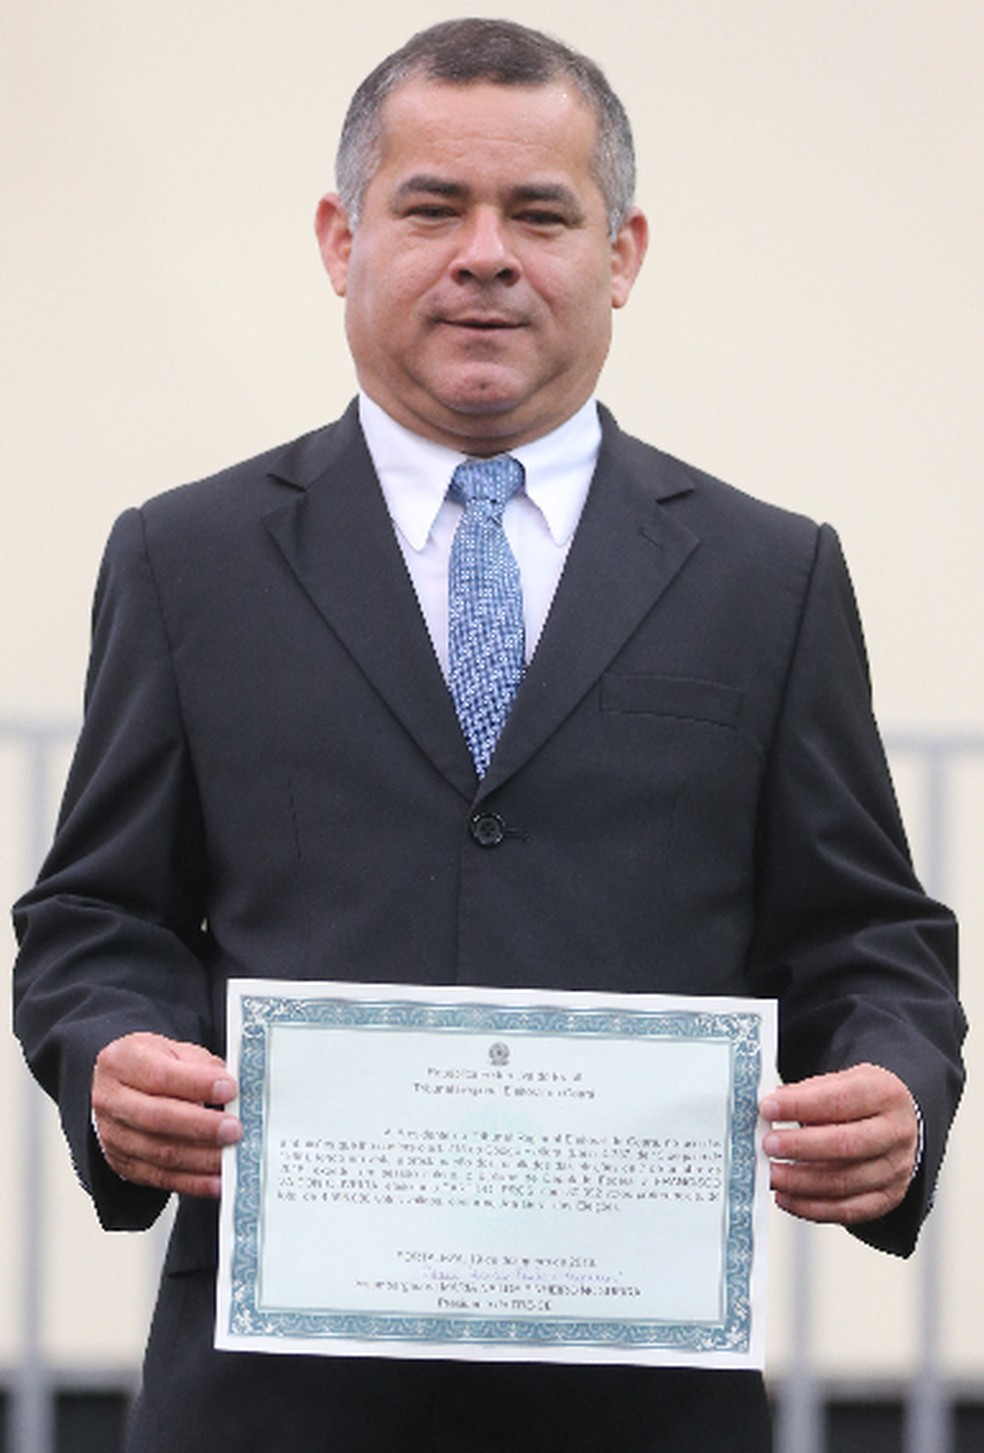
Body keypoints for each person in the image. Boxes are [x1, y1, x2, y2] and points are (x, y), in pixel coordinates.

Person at [12, 18, 965, 1453]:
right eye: (432, 206)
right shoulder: (184, 558)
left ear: (622, 253)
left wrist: (894, 1079)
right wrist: (112, 1049)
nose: (485, 256)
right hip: (274, 1401)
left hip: (638, 1404)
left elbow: (867, 932)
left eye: (540, 213)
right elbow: (96, 914)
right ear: (341, 239)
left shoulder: (769, 577)